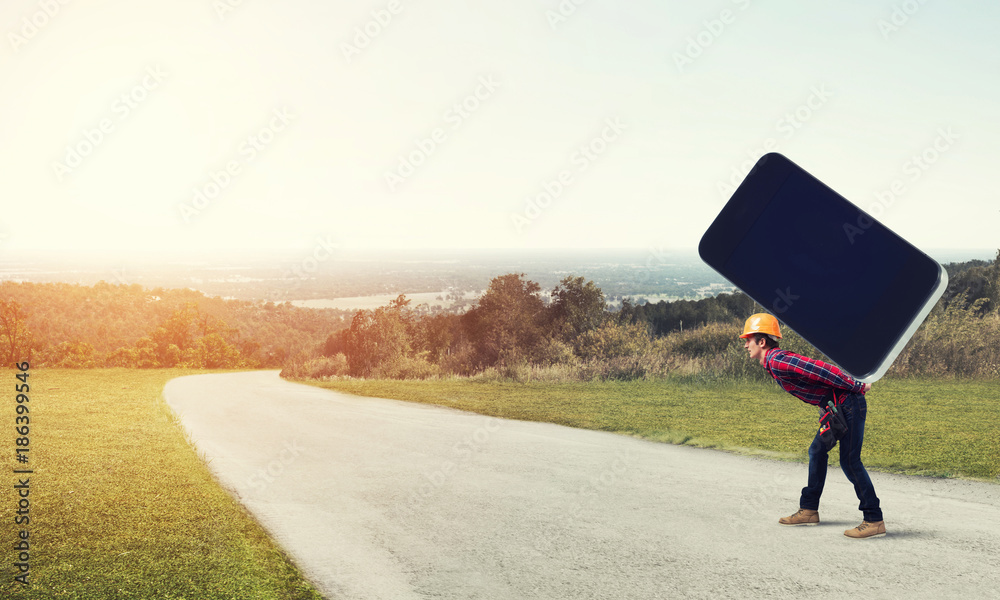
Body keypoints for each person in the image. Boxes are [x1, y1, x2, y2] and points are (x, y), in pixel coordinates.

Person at [740, 313, 886, 539]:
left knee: (850, 461)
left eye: (748, 339)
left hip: (848, 403)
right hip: (836, 407)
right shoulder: (772, 362)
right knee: (816, 451)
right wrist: (825, 408)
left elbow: (821, 370)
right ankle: (809, 510)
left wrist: (857, 386)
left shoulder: (778, 360)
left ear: (761, 342)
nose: (745, 344)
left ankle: (874, 519)